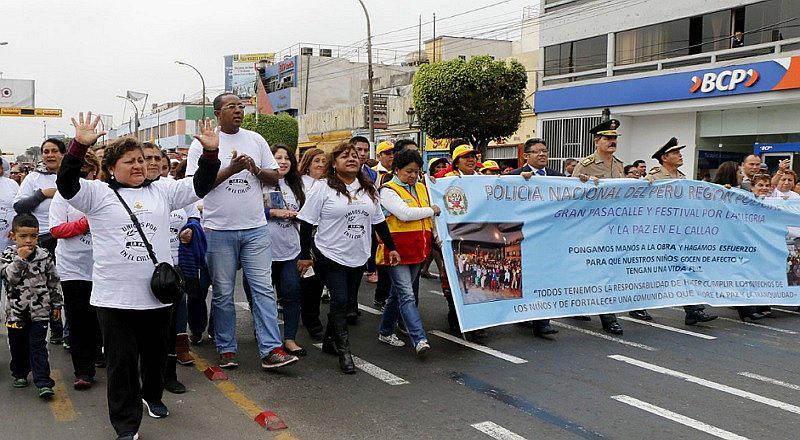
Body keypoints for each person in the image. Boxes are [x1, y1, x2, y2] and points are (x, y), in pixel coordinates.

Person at [56, 112, 220, 440]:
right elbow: (66, 184)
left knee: (156, 359)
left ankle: (152, 395)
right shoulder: (97, 194)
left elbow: (201, 184)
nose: (139, 166)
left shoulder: (163, 190)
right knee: (122, 365)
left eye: (142, 160)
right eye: (130, 161)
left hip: (157, 296)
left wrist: (211, 154)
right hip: (114, 299)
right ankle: (126, 427)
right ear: (113, 167)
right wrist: (78, 147)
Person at [185, 93, 298, 370]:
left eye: (241, 107)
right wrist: (231, 169)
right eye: (231, 107)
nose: (238, 111)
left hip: (256, 229)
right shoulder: (203, 144)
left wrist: (254, 169)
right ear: (217, 113)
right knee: (223, 292)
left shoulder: (256, 139)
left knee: (263, 290)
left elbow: (274, 177)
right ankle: (226, 348)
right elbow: (195, 187)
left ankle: (271, 348)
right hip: (218, 229)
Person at [297, 142, 400, 374]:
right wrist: (305, 255)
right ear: (334, 163)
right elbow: (306, 222)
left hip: (358, 255)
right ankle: (344, 352)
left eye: (354, 156)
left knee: (346, 300)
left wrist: (391, 247)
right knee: (340, 301)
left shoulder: (368, 190)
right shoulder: (323, 188)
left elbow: (379, 222)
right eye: (345, 156)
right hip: (329, 253)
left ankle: (328, 342)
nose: (351, 159)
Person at [643, 138, 718, 325]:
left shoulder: (682, 178)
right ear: (664, 157)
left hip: (679, 233)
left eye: (679, 152)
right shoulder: (654, 177)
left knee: (686, 269)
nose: (680, 155)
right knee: (651, 270)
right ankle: (637, 304)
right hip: (658, 232)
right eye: (675, 153)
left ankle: (694, 310)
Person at [140, 143, 195, 395]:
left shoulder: (172, 189)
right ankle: (142, 375)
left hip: (172, 268)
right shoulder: (121, 192)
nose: (153, 163)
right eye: (146, 158)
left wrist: (191, 227)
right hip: (138, 270)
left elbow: (194, 212)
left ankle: (168, 373)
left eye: (157, 159)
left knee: (171, 322)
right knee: (144, 329)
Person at [49, 151, 103, 390]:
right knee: (79, 319)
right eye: (78, 172)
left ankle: (100, 355)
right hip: (73, 268)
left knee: (101, 319)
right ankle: (83, 370)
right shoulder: (62, 196)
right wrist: (85, 224)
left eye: (87, 172)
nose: (83, 176)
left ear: (96, 172)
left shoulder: (102, 192)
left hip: (103, 266)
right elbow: (56, 230)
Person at [376, 149, 437, 355]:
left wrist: (435, 233)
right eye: (408, 171)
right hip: (397, 252)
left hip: (418, 250)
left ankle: (385, 331)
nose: (413, 176)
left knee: (397, 294)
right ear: (397, 170)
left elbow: (428, 217)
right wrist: (432, 210)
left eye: (417, 172)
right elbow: (404, 214)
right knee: (407, 295)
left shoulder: (421, 187)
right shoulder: (388, 190)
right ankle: (419, 338)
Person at [570, 119, 625, 335]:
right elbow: (573, 195)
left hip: (614, 226)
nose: (612, 142)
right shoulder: (585, 165)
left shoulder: (619, 165)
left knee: (607, 271)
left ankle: (606, 314)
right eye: (608, 138)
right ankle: (598, 312)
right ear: (597, 141)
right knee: (592, 269)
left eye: (614, 138)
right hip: (591, 227)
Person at [1, 213, 62, 399]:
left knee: (38, 346)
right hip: (16, 313)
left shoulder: (44, 256)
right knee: (17, 345)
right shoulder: (7, 256)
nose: (28, 241)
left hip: (40, 311)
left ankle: (43, 381)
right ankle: (19, 373)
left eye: (33, 236)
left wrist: (57, 304)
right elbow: (10, 278)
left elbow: (53, 281)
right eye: (23, 236)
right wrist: (20, 259)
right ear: (13, 236)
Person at [13, 138, 66, 345]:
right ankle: (52, 327)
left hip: (66, 237)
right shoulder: (34, 178)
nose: (50, 155)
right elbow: (19, 206)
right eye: (46, 151)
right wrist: (42, 194)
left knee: (62, 285)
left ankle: (66, 329)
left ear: (62, 154)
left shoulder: (71, 175)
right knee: (43, 285)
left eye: (54, 151)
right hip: (41, 237)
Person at [264, 144, 306, 356]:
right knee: (263, 297)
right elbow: (248, 212)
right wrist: (273, 212)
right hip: (263, 251)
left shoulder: (297, 185)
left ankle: (290, 338)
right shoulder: (260, 184)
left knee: (291, 293)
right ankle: (265, 334)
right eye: (277, 157)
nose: (282, 161)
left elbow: (308, 213)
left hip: (291, 249)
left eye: (286, 158)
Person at [297, 148, 328, 340]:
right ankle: (311, 321)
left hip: (326, 235)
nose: (321, 165)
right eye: (316, 161)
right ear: (307, 164)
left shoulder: (331, 184)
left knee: (320, 280)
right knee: (310, 281)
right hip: (303, 233)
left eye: (324, 161)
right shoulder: (299, 183)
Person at [0, 166, 20, 254]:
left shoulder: (12, 184)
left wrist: (16, 228)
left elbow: (21, 209)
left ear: (1, 168)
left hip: (8, 244)